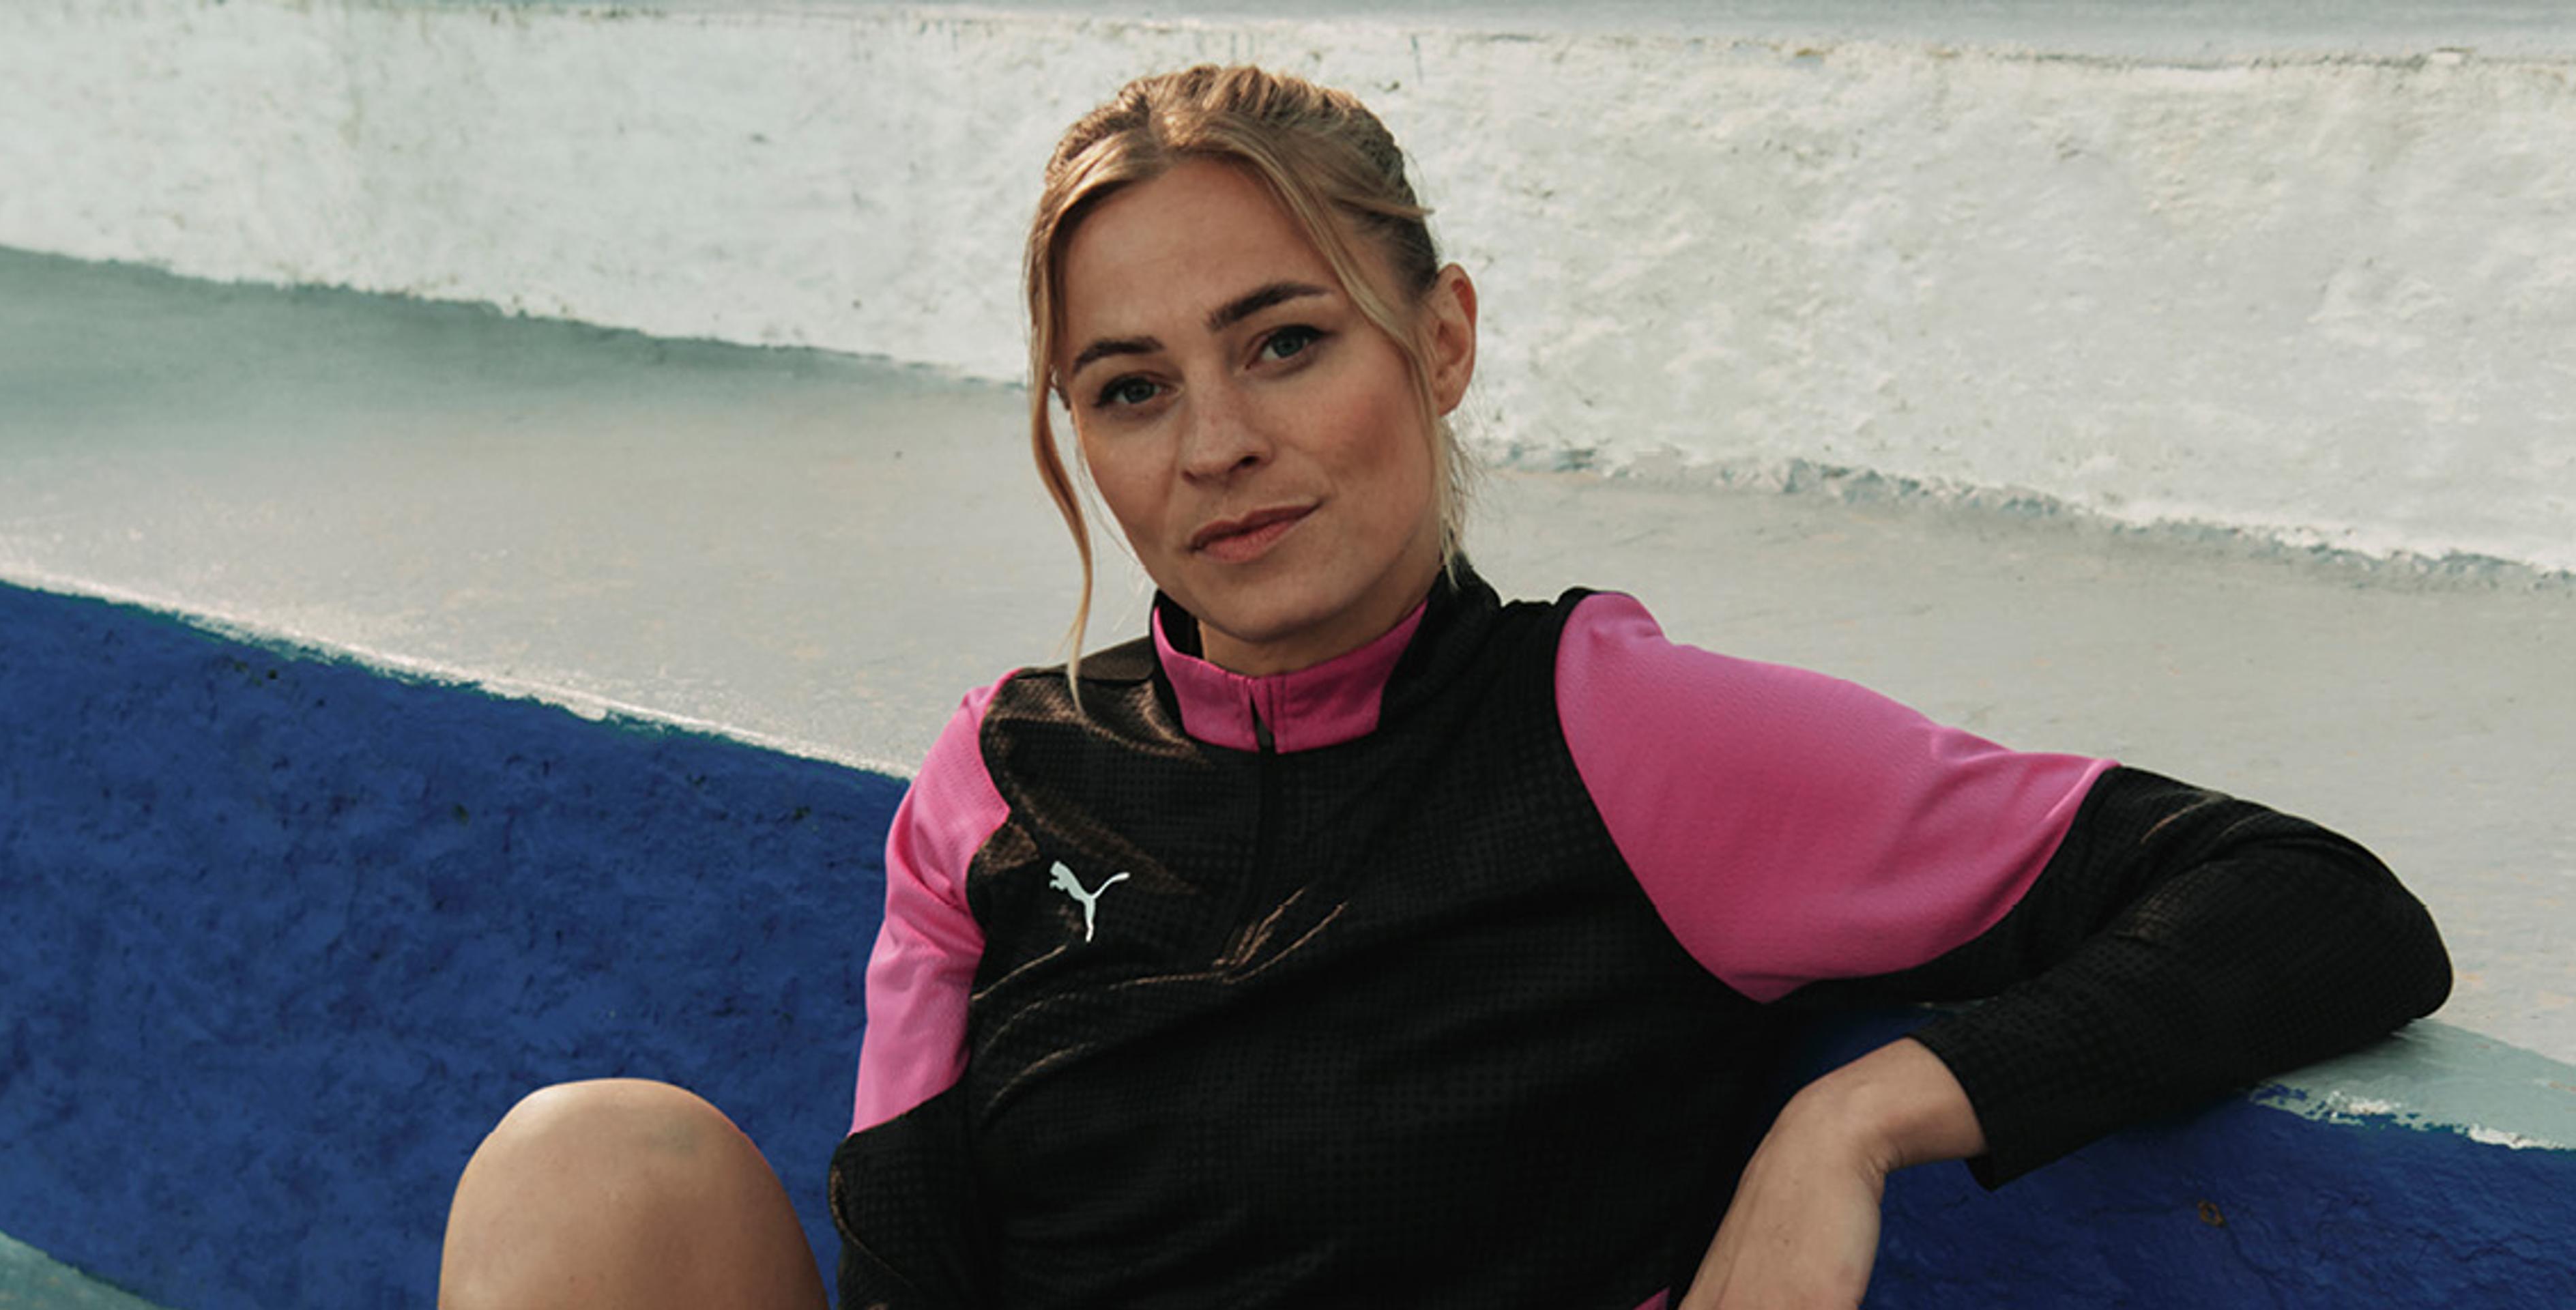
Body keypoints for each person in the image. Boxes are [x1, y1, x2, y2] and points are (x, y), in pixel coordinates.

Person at [437, 64, 2450, 1310]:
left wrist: (1851, 1128)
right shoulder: (1005, 776)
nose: (1218, 444)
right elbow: (916, 1259)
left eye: (1285, 342)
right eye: (1130, 389)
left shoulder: (1622, 733)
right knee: (594, 1167)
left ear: (1443, 340)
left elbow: (2312, 905)